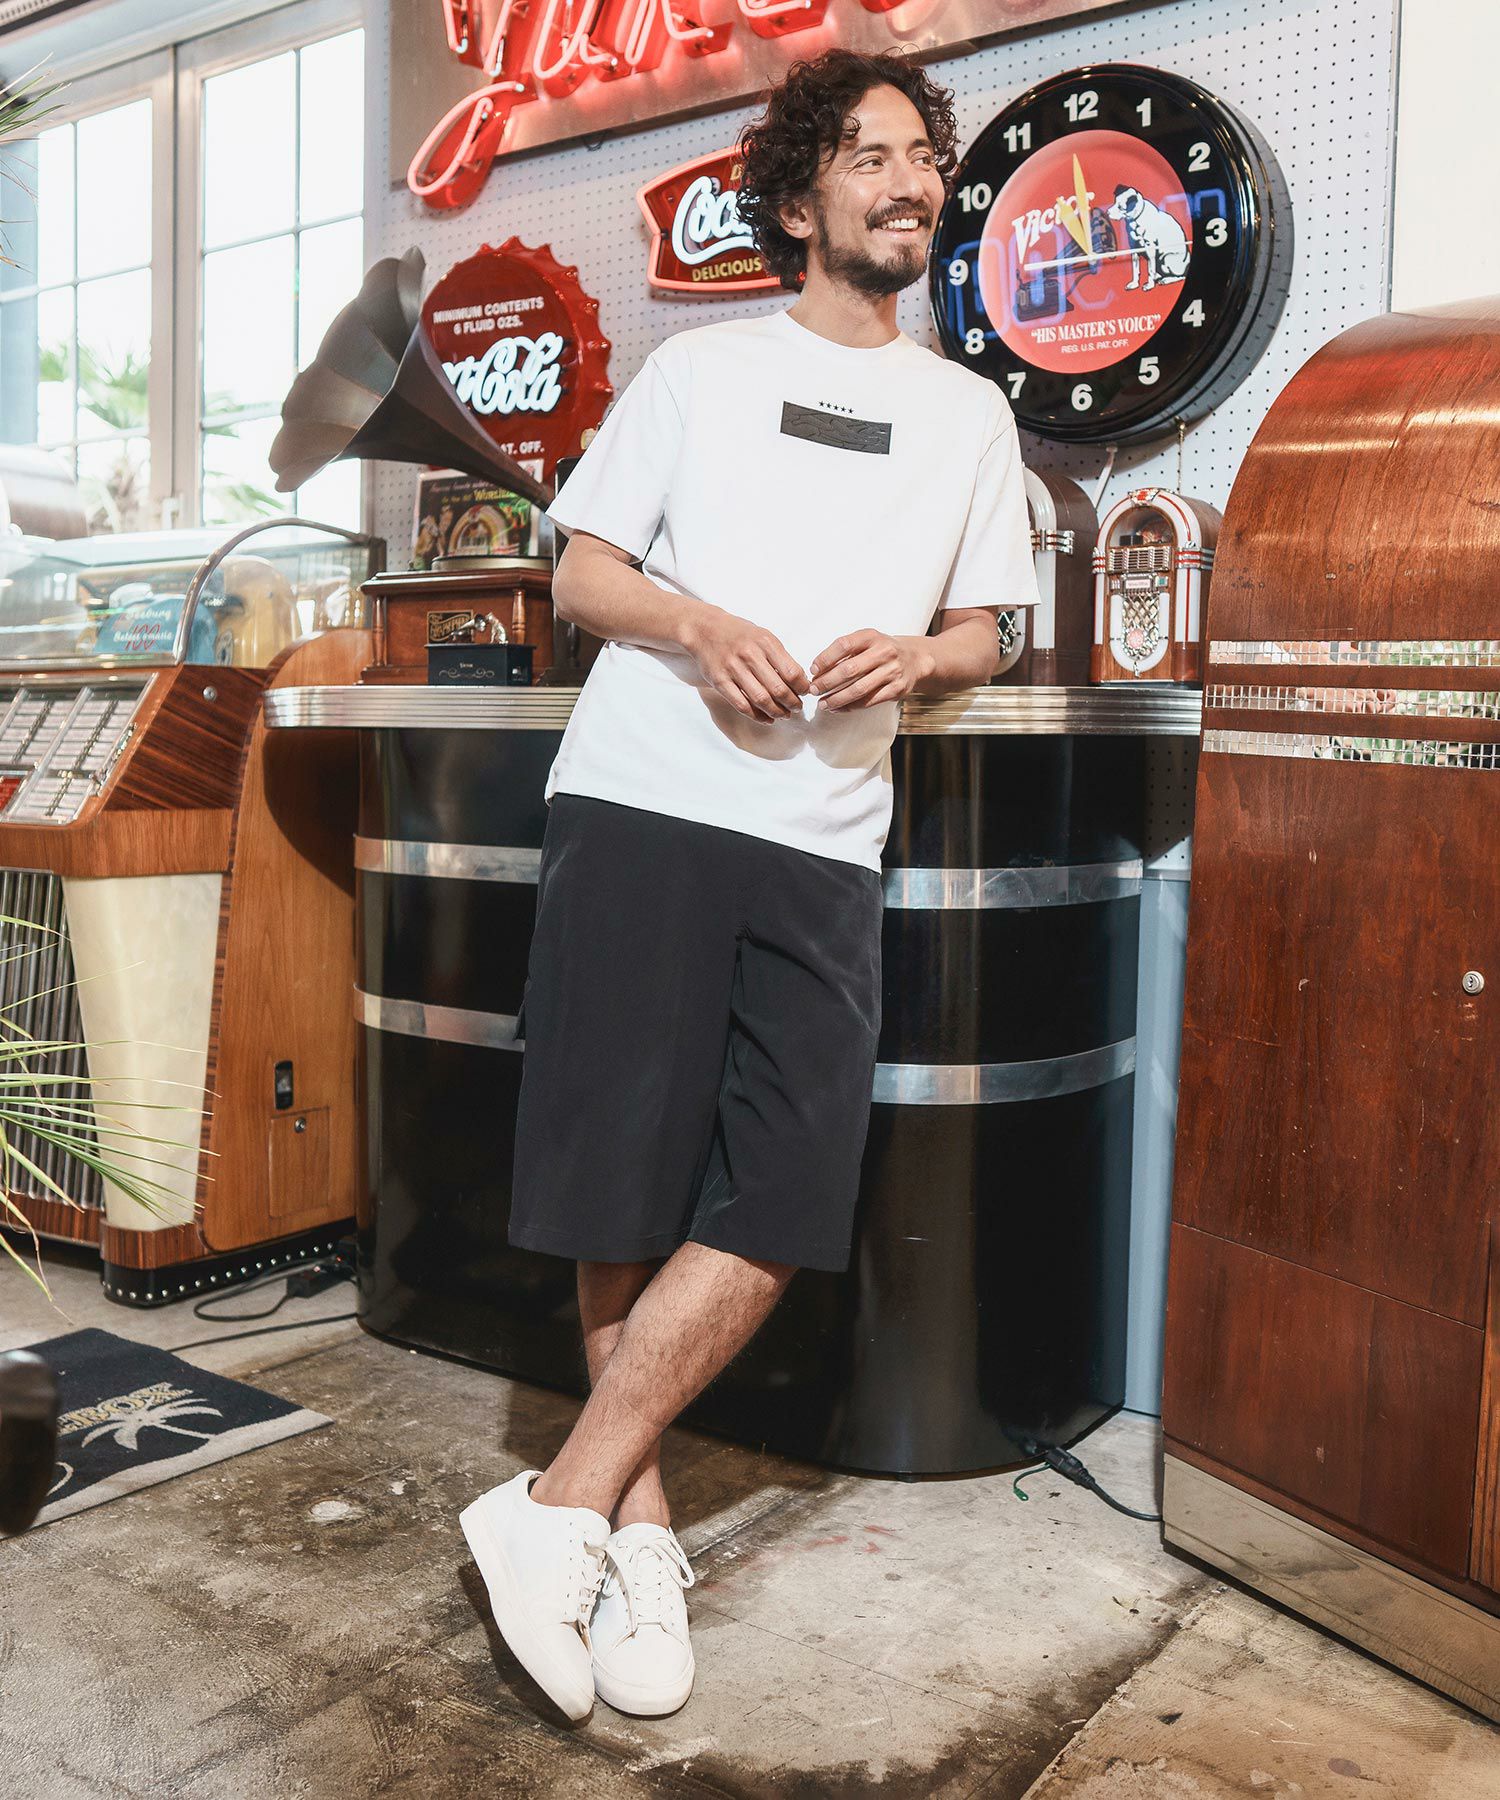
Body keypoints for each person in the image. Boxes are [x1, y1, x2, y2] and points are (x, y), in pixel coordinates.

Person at [458, 46, 1040, 1723]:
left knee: (781, 1196)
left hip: (826, 833)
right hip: (646, 800)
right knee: (618, 1190)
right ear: (796, 202)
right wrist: (700, 624)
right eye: (869, 155)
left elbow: (989, 630)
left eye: (922, 156)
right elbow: (584, 575)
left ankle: (556, 1503)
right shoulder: (699, 373)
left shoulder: (970, 414)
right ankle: (633, 1539)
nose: (909, 181)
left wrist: (921, 656)